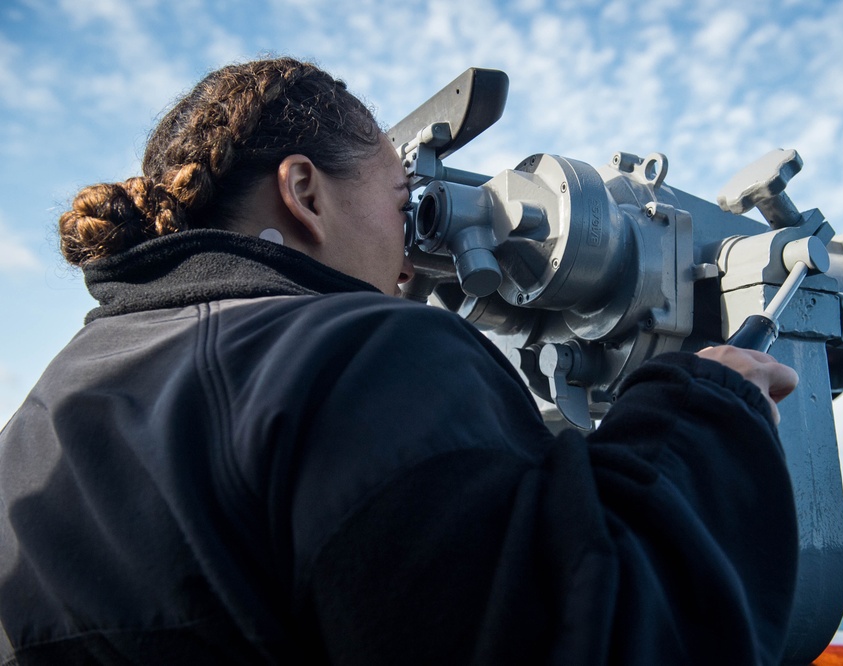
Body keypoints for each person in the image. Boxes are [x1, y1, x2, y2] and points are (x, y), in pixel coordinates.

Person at [0, 57, 800, 665]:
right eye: (402, 204)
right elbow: (589, 635)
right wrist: (709, 415)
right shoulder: (362, 355)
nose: (413, 264)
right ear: (305, 193)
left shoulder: (46, 411)